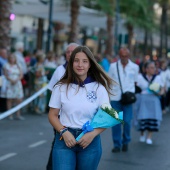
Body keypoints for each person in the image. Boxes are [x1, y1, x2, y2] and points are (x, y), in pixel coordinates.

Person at [48, 46, 114, 170]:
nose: (80, 65)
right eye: (76, 60)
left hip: (89, 141)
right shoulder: (60, 87)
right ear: (71, 63)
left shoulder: (99, 88)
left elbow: (110, 115)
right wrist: (64, 132)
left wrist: (92, 134)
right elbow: (52, 115)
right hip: (64, 140)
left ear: (90, 64)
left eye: (84, 61)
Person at [46, 42, 79, 170]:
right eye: (68, 52)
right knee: (58, 142)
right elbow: (51, 88)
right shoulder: (60, 69)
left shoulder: (86, 71)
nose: (70, 54)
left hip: (79, 118)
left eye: (73, 52)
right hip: (61, 117)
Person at [108, 47, 139, 152]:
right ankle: (117, 144)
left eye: (126, 56)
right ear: (119, 56)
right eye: (122, 56)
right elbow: (109, 81)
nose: (124, 58)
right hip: (115, 98)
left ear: (129, 56)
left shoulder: (134, 67)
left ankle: (126, 141)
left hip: (128, 99)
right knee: (116, 122)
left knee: (127, 121)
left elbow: (135, 82)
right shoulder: (113, 66)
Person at [135, 61, 164, 144]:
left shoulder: (158, 78)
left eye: (154, 67)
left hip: (154, 100)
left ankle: (149, 136)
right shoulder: (140, 77)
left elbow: (162, 89)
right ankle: (142, 133)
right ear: (146, 69)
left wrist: (160, 92)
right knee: (142, 117)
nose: (153, 69)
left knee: (153, 117)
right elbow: (136, 87)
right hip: (143, 100)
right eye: (151, 67)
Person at [4, 53, 24, 120]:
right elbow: (5, 75)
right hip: (9, 83)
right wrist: (11, 80)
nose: (12, 59)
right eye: (10, 57)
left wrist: (17, 80)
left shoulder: (18, 65)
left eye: (13, 58)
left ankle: (18, 114)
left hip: (17, 83)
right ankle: (10, 114)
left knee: (19, 99)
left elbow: (21, 75)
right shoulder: (6, 65)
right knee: (10, 99)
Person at [0, 48, 8, 113]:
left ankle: (3, 107)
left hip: (3, 78)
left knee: (3, 91)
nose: (6, 54)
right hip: (1, 77)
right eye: (4, 53)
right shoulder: (1, 60)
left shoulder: (5, 59)